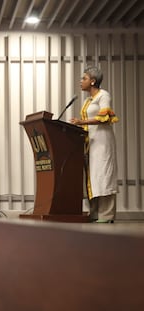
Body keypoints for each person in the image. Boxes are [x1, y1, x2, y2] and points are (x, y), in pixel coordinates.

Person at [70, 66, 119, 223]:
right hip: (90, 143)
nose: (80, 81)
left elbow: (104, 118)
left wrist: (81, 121)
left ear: (93, 81)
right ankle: (95, 213)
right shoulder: (87, 100)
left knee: (103, 176)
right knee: (92, 178)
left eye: (83, 78)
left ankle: (107, 215)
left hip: (103, 142)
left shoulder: (103, 96)